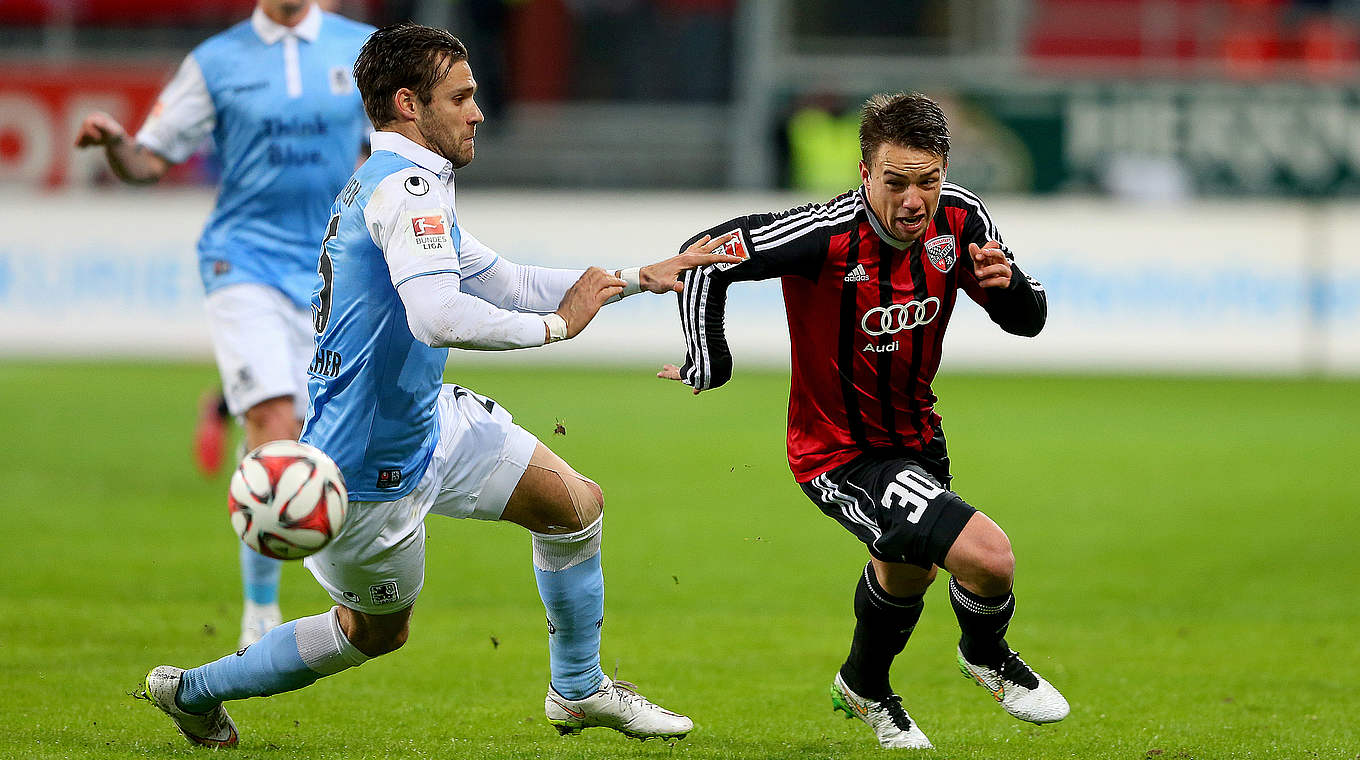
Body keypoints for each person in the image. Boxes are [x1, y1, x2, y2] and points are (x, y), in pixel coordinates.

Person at [135, 23, 739, 748]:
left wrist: (638, 277)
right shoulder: (409, 192)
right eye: (462, 97)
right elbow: (437, 315)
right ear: (408, 105)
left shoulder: (397, 183)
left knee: (575, 506)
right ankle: (196, 691)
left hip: (427, 424)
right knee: (373, 634)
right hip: (366, 473)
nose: (478, 112)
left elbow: (507, 282)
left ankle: (577, 689)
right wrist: (558, 330)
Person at [659, 92, 1069, 750]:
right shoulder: (823, 235)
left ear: (944, 171)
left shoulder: (961, 219)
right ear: (865, 174)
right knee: (989, 559)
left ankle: (864, 687)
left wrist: (1010, 287)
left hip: (917, 442)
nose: (915, 200)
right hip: (839, 454)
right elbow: (702, 256)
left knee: (908, 574)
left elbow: (1029, 318)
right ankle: (988, 655)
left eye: (928, 181)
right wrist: (711, 360)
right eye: (896, 182)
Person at [74, 0, 374, 648]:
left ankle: (339, 592)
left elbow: (397, 155)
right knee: (272, 420)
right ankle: (259, 616)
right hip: (243, 259)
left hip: (331, 270)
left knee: (323, 441)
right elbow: (150, 160)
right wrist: (116, 146)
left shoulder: (365, 49)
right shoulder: (216, 62)